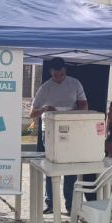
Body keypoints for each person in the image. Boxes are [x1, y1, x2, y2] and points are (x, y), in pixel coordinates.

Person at [31, 57, 88, 214]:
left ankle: (70, 204)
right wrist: (44, 109)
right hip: (49, 131)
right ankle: (51, 203)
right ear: (51, 72)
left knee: (70, 166)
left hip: (71, 129)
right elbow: (32, 113)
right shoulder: (45, 87)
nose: (59, 78)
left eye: (61, 75)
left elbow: (84, 104)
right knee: (51, 165)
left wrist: (76, 114)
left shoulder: (74, 83)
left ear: (65, 71)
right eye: (56, 75)